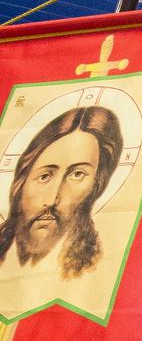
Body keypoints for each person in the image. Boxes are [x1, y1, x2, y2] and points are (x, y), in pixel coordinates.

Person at [0, 105, 123, 283]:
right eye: (44, 176)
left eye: (77, 174)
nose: (51, 200)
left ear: (96, 186)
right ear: (22, 181)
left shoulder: (90, 266)